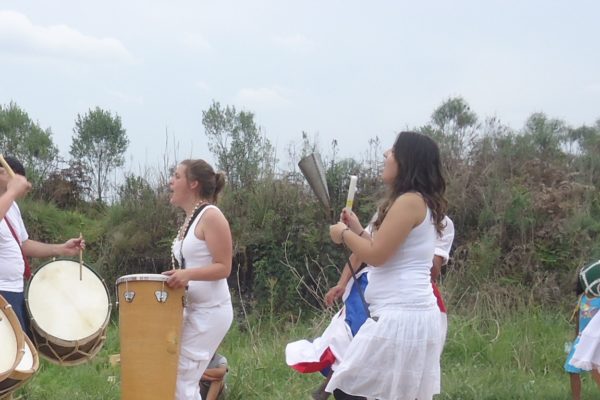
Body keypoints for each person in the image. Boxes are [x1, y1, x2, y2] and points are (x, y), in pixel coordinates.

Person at [326, 131, 447, 400]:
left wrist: (343, 234)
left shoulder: (409, 201)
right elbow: (389, 252)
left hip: (402, 316)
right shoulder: (418, 201)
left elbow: (377, 256)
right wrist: (357, 229)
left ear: (407, 160)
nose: (385, 155)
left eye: (392, 151)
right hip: (409, 314)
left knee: (352, 391)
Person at [163, 159, 233, 400]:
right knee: (174, 376)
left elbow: (224, 267)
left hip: (211, 312)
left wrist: (187, 275)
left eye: (177, 176)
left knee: (180, 378)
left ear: (193, 184)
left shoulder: (211, 216)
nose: (171, 182)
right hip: (193, 310)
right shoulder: (190, 220)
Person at [0, 156, 84, 337]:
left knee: (21, 357)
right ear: (1, 173)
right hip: (1, 292)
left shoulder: (11, 206)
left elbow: (24, 244)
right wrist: (12, 192)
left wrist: (61, 248)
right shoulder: (8, 200)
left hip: (15, 290)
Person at [565, 274, 600, 399]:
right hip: (581, 339)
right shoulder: (583, 298)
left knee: (595, 369)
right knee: (572, 369)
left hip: (595, 340)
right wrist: (575, 339)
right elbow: (579, 320)